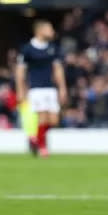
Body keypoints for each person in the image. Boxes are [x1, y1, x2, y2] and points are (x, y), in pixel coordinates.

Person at [15, 20, 68, 158]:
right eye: (49, 29)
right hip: (36, 88)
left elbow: (58, 69)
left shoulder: (53, 48)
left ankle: (35, 139)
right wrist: (21, 89)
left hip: (50, 88)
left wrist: (62, 88)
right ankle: (43, 147)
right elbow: (20, 71)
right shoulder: (27, 49)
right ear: (39, 31)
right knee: (42, 118)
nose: (52, 32)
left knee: (54, 120)